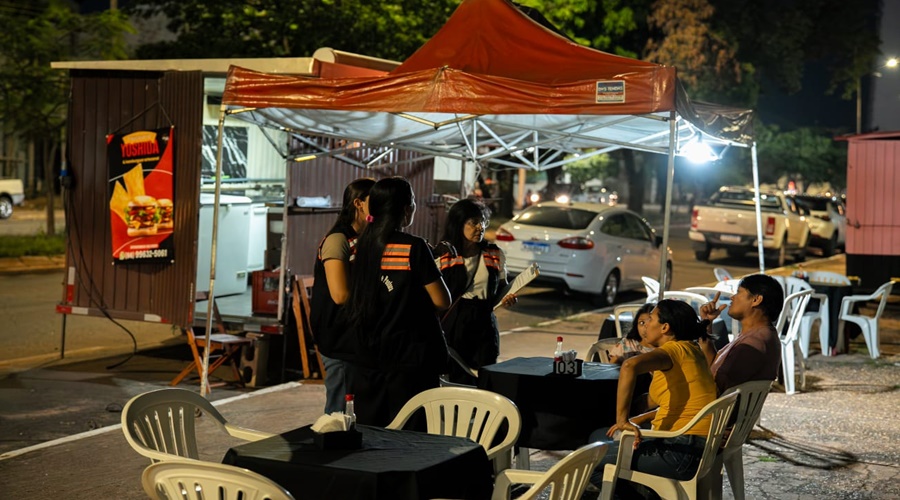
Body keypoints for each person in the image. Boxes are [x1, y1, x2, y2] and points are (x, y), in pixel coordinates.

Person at [343, 177, 452, 427]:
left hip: (366, 356)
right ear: (405, 209)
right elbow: (442, 299)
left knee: (369, 431)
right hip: (410, 357)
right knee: (410, 434)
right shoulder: (414, 247)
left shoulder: (356, 247)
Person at [591, 299, 718, 494]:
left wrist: (622, 420)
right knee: (601, 438)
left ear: (665, 327)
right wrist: (640, 419)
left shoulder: (672, 351)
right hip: (693, 447)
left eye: (650, 319)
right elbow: (682, 402)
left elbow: (629, 366)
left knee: (588, 458)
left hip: (680, 451)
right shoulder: (691, 350)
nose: (645, 325)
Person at [309, 178, 375, 414]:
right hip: (339, 336)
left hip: (358, 336)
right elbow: (340, 295)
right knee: (339, 409)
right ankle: (332, 446)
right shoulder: (338, 240)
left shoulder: (368, 239)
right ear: (359, 203)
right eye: (375, 200)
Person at [435, 198, 517, 385]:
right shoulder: (443, 256)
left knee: (484, 378)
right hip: (454, 325)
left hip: (484, 326)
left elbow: (502, 287)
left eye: (483, 222)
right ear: (458, 224)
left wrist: (508, 298)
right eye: (474, 223)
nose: (480, 227)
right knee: (454, 380)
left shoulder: (495, 254)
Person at [698, 274, 784, 394]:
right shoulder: (755, 335)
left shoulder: (753, 344)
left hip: (716, 411)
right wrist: (706, 322)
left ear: (756, 300)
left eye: (738, 292)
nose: (732, 297)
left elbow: (714, 387)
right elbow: (712, 364)